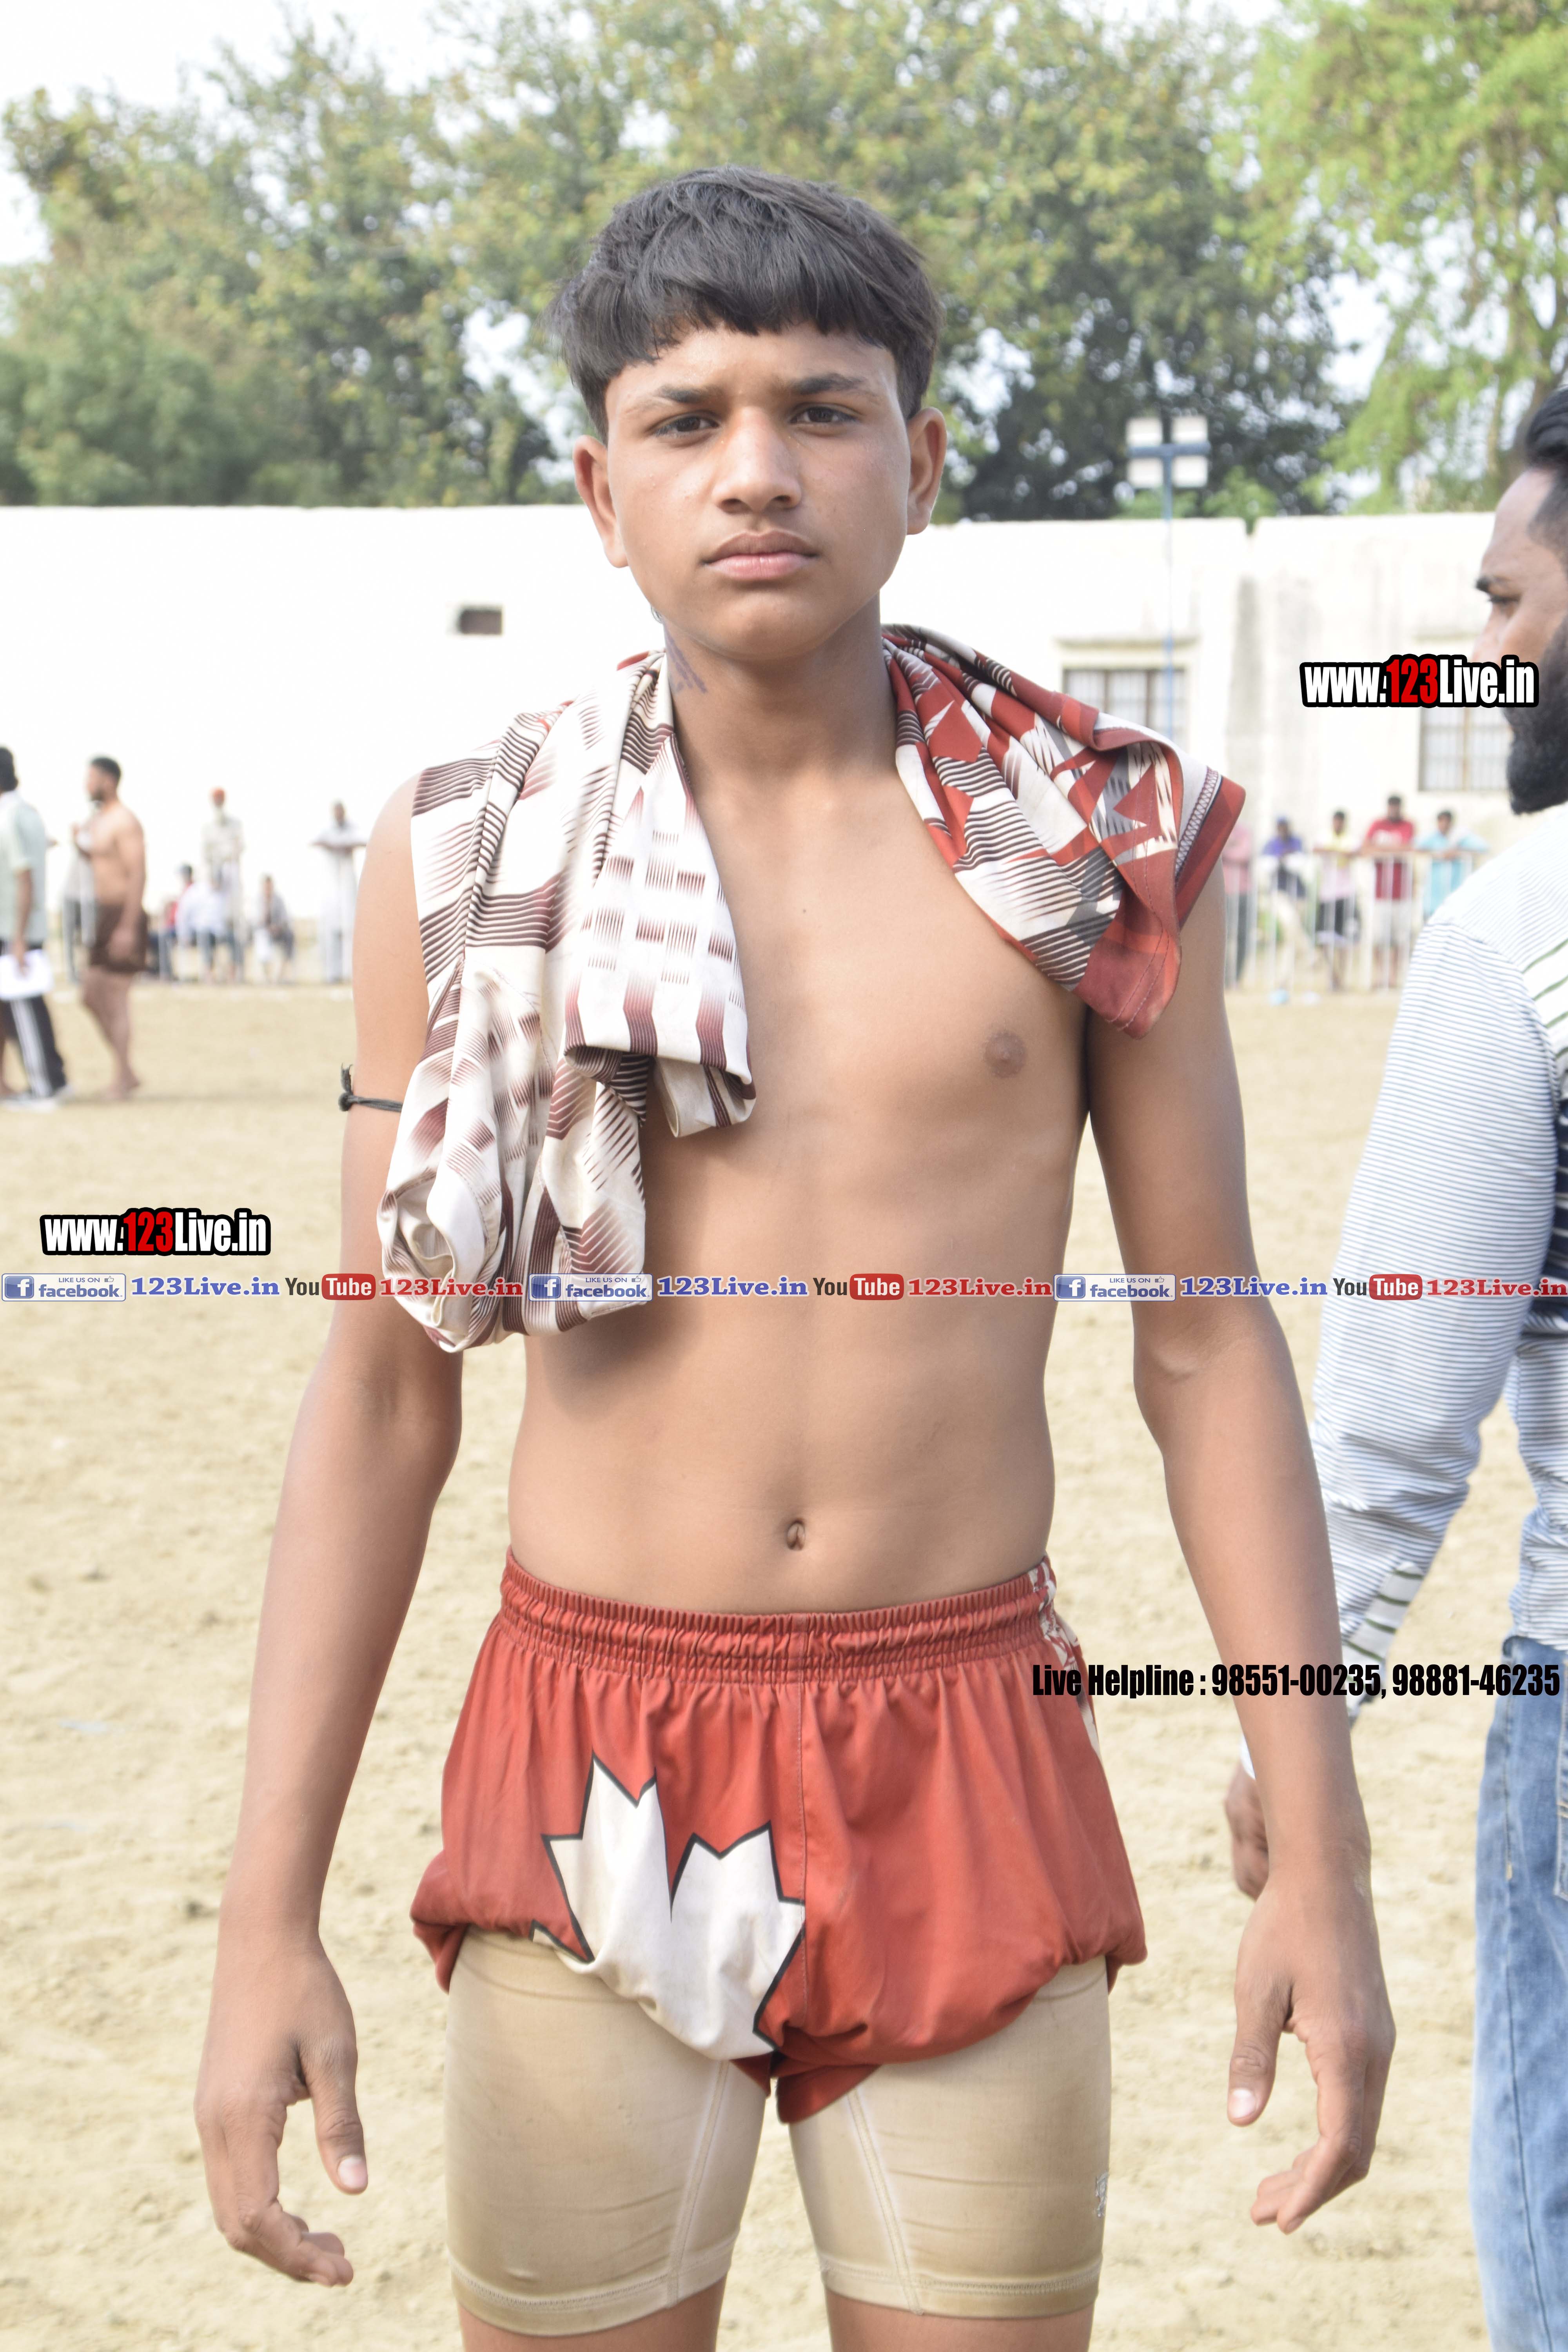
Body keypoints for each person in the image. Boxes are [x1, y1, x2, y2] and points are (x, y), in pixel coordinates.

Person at [197, 169, 1393, 2351]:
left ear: (919, 464)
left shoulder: (1095, 841)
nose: (754, 469)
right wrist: (260, 1916)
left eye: (821, 410)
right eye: (686, 418)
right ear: (601, 490)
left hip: (968, 1739)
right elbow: (380, 1388)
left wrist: (1321, 1855)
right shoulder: (471, 847)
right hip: (586, 1748)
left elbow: (1207, 1349)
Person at [1226, 381, 1568, 2352]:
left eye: (1507, 601)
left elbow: (1389, 1417)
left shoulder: (1525, 925)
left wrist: (1298, 1723)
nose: (1487, 644)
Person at [0, 746, 69, 1106]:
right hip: (24, 929)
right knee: (29, 1009)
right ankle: (55, 1078)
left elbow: (23, 877)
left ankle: (44, 1089)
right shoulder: (28, 813)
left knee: (24, 1010)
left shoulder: (9, 817)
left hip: (15, 931)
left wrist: (18, 938)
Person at [79, 755, 145, 1100]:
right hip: (103, 914)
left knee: (117, 999)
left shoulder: (125, 820)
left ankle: (121, 1078)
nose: (87, 784)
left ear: (108, 780)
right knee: (90, 995)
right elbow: (101, 861)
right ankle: (127, 1070)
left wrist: (128, 926)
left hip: (123, 913)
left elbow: (137, 873)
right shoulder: (100, 820)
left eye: (92, 778)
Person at [1360, 791, 1416, 985]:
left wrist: (1382, 849)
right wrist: (1392, 850)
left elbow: (1408, 848)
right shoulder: (1377, 825)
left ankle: (1393, 976)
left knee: (1399, 937)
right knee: (1378, 936)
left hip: (1401, 892)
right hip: (1381, 893)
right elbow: (1366, 848)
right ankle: (1380, 974)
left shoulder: (1408, 825)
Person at [312, 801, 366, 983]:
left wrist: (345, 846)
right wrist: (336, 846)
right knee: (330, 929)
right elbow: (316, 841)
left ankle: (349, 973)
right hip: (332, 885)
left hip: (348, 885)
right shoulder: (328, 829)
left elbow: (364, 840)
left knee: (350, 928)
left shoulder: (352, 828)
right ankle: (332, 973)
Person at [201, 786, 246, 981]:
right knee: (209, 926)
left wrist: (226, 860)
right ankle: (210, 971)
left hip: (231, 878)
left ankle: (235, 971)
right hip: (215, 881)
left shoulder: (235, 825)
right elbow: (206, 854)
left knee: (234, 926)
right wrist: (213, 875)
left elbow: (239, 848)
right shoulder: (208, 828)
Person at [1416, 807, 1490, 916]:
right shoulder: (1433, 837)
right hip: (1434, 897)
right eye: (1441, 821)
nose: (1444, 825)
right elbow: (1416, 847)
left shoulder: (1461, 838)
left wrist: (1457, 852)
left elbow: (1483, 847)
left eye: (1446, 822)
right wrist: (1438, 854)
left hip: (1454, 895)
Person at [1313, 809, 1358, 985]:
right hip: (1327, 894)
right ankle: (1333, 975)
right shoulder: (1324, 836)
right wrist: (1337, 851)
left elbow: (1356, 852)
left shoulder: (1350, 839)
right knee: (1325, 938)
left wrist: (1334, 852)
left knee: (1343, 941)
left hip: (1344, 893)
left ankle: (1341, 977)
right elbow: (1316, 849)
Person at [1221, 813, 1254, 985]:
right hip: (1225, 892)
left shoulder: (1244, 832)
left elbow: (1245, 854)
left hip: (1243, 892)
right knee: (1224, 935)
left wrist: (1226, 848)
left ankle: (1237, 976)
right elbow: (1216, 851)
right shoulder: (1219, 829)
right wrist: (1231, 846)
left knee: (1243, 934)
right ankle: (1225, 976)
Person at [254, 874, 296, 982]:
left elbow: (285, 918)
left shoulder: (279, 900)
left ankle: (283, 972)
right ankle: (266, 975)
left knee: (290, 936)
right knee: (262, 938)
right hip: (264, 931)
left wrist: (278, 927)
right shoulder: (258, 901)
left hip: (278, 931)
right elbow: (256, 921)